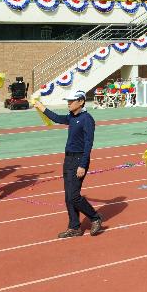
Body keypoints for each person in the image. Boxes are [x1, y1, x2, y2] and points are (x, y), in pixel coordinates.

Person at [33, 91, 103, 238]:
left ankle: (95, 217)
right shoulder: (72, 117)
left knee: (74, 196)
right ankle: (74, 227)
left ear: (81, 102)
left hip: (79, 160)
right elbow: (57, 118)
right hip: (68, 159)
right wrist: (41, 107)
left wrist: (83, 165)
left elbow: (88, 144)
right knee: (68, 197)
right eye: (68, 101)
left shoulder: (87, 119)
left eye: (71, 101)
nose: (68, 103)